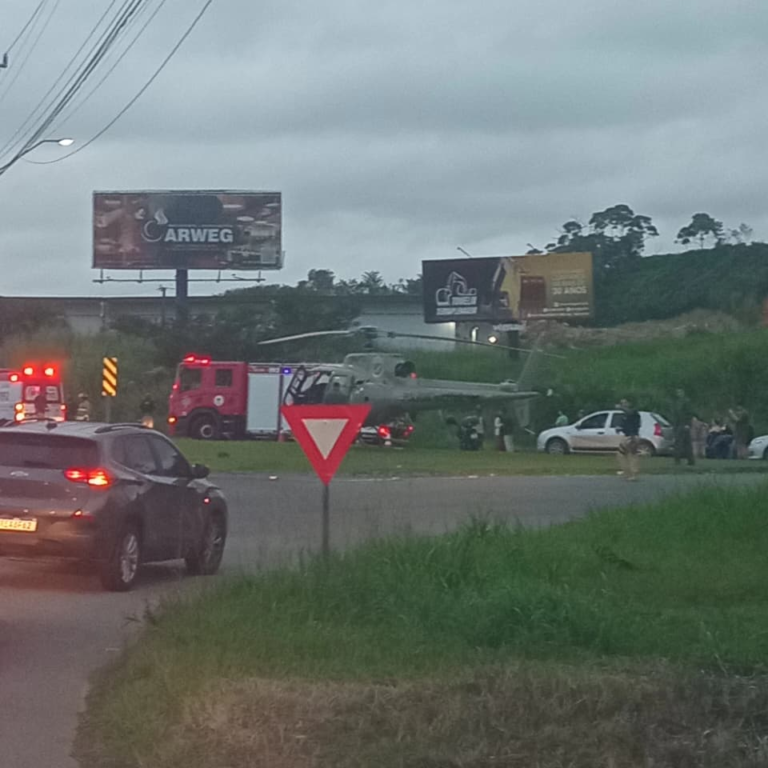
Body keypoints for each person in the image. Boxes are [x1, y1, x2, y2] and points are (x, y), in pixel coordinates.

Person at [616, 397, 641, 481]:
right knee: (622, 454)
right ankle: (628, 472)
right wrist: (620, 428)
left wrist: (622, 408)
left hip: (632, 436)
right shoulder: (626, 414)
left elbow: (631, 416)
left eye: (625, 403)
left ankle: (633, 474)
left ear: (629, 403)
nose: (623, 405)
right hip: (627, 436)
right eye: (622, 403)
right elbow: (626, 424)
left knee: (632, 455)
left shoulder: (634, 412)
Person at [670, 388, 695, 466]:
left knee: (682, 443)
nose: (679, 393)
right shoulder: (677, 402)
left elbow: (689, 413)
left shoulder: (686, 402)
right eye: (678, 392)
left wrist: (687, 424)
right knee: (682, 443)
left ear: (683, 392)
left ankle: (685, 460)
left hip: (683, 424)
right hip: (678, 424)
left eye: (680, 392)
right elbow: (676, 415)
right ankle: (686, 460)